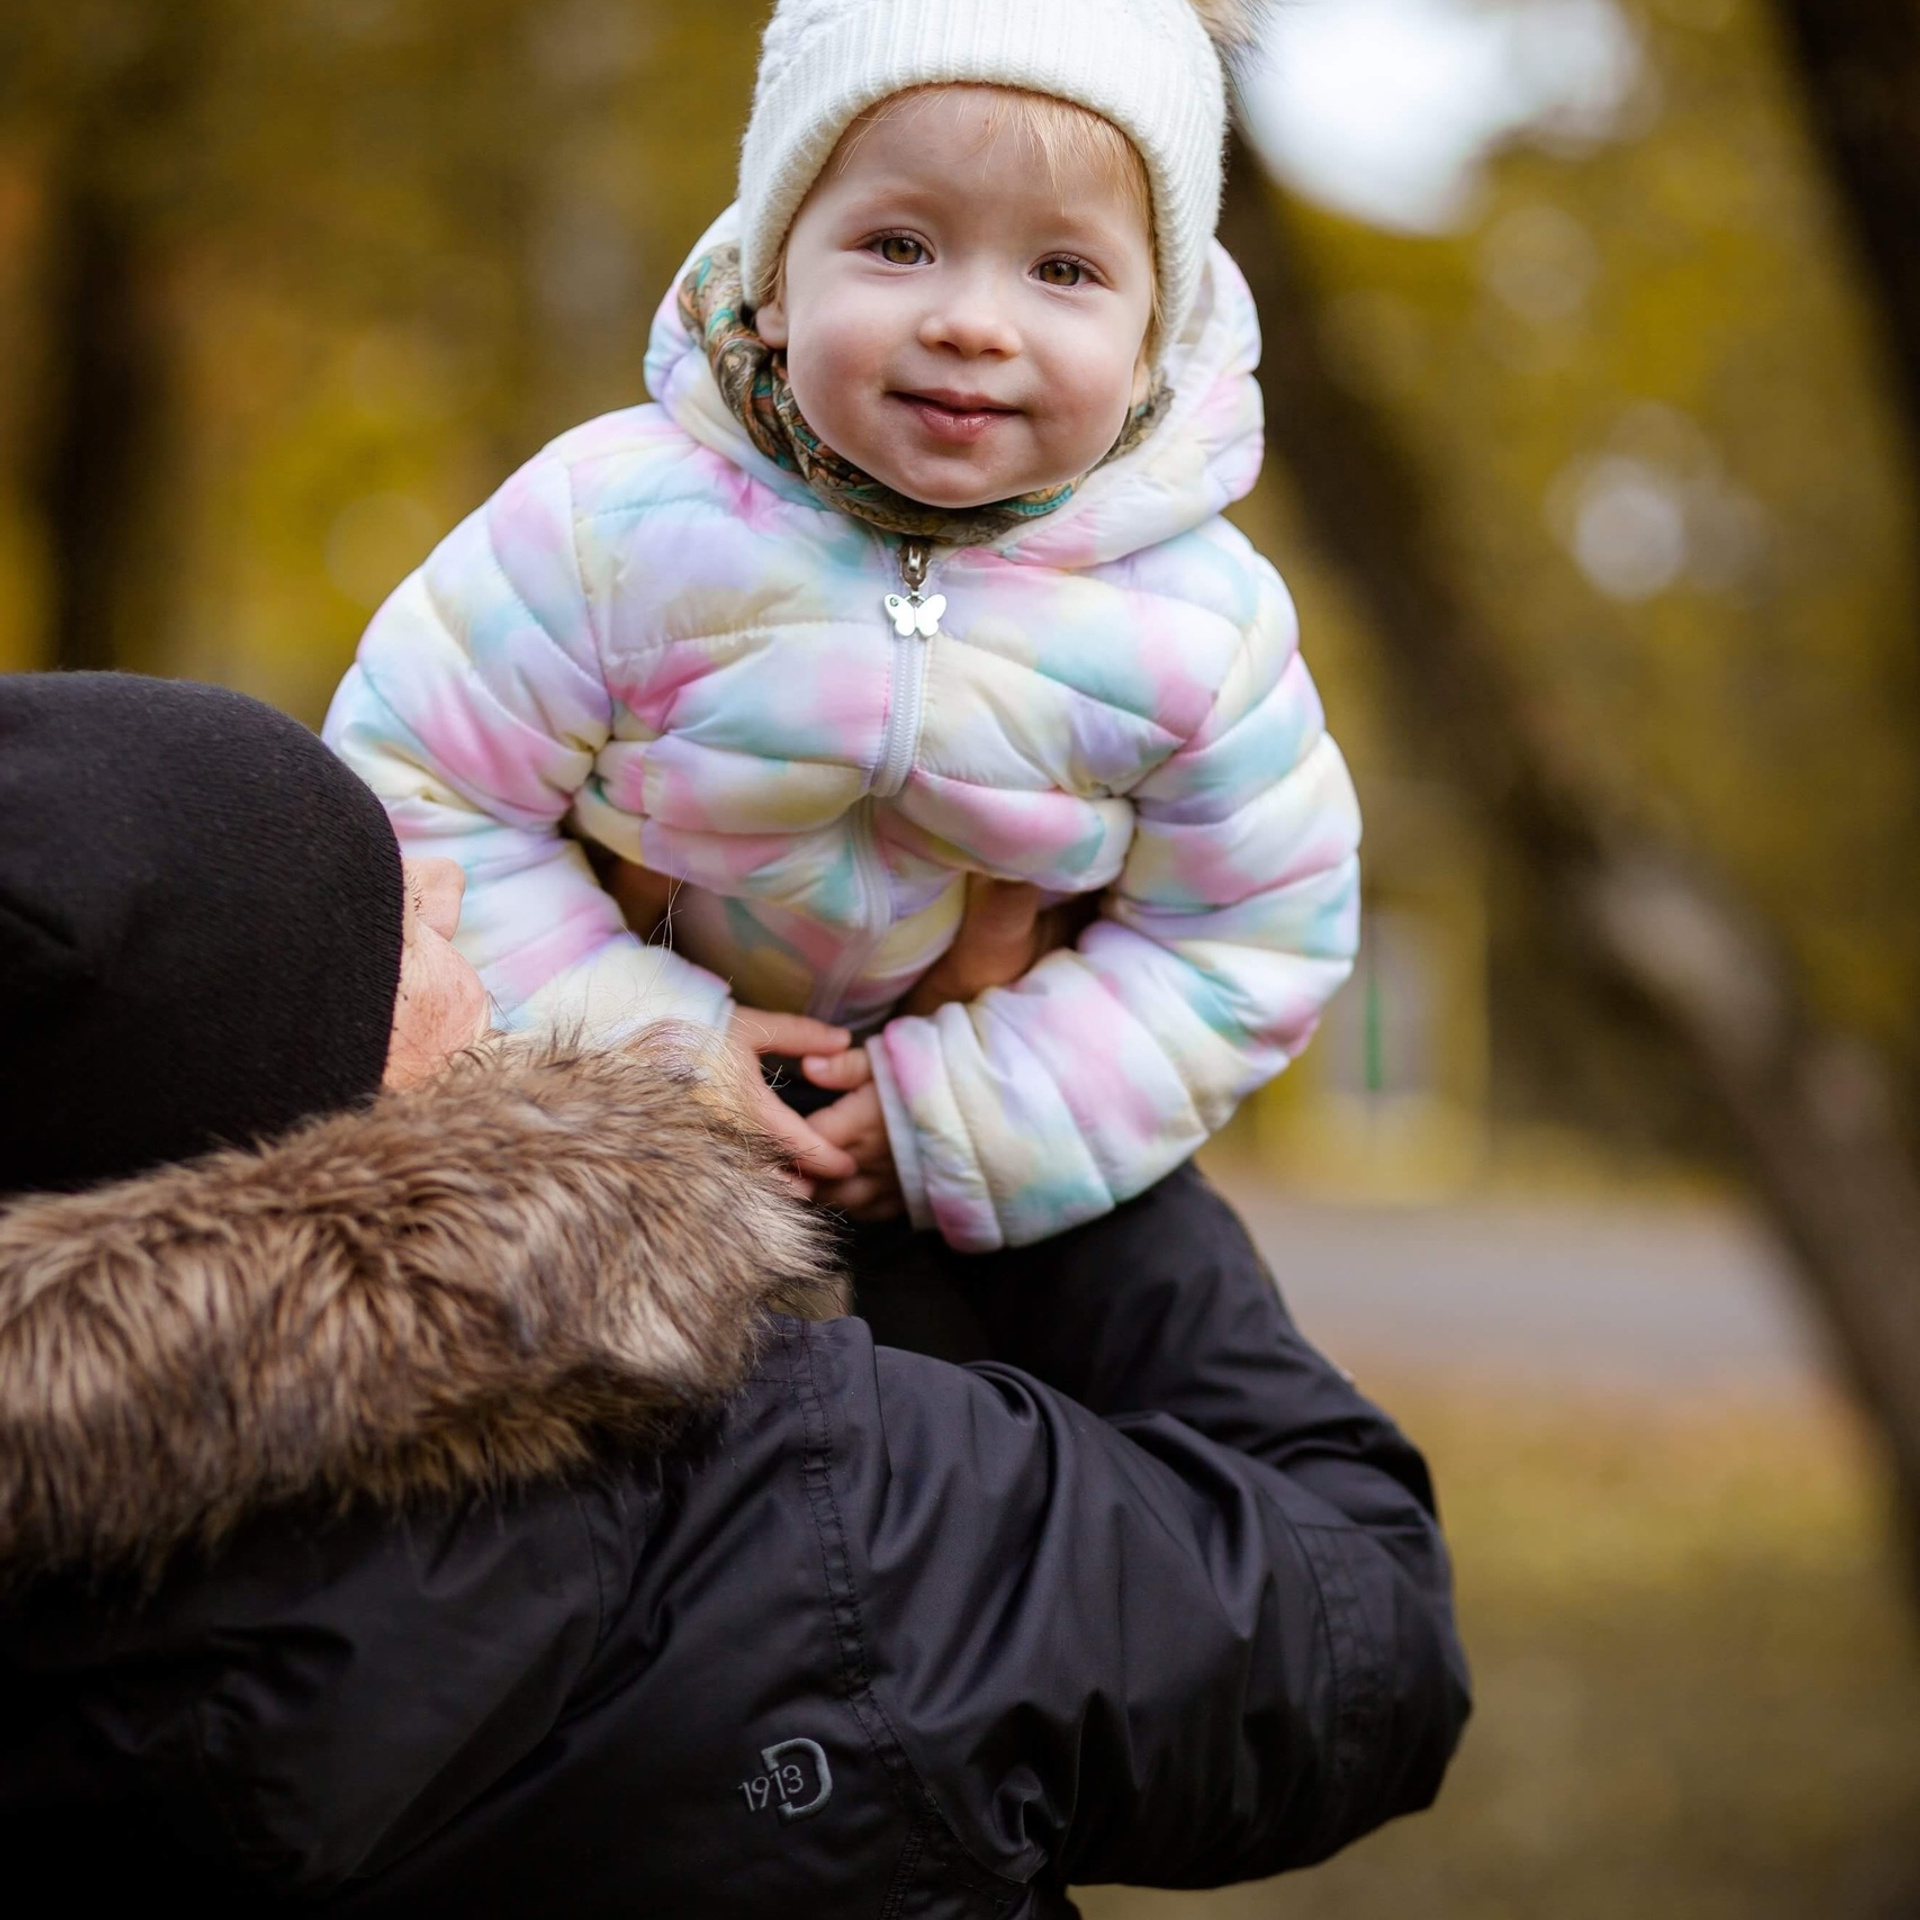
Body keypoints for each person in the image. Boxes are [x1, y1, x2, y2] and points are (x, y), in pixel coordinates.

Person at [0, 671, 1468, 1913]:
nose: (443, 879)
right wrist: (1029, 1115)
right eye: (380, 918)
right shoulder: (812, 1512)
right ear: (308, 1112)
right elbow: (1369, 1636)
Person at [323, 0, 1363, 1268]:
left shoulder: (1201, 622)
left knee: (1192, 1399)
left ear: (1155, 346)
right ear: (771, 282)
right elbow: (416, 790)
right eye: (899, 244)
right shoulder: (611, 527)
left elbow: (1255, 926)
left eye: (1065, 271)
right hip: (617, 1117)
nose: (975, 321)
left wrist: (980, 1112)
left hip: (996, 1140)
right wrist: (640, 1038)